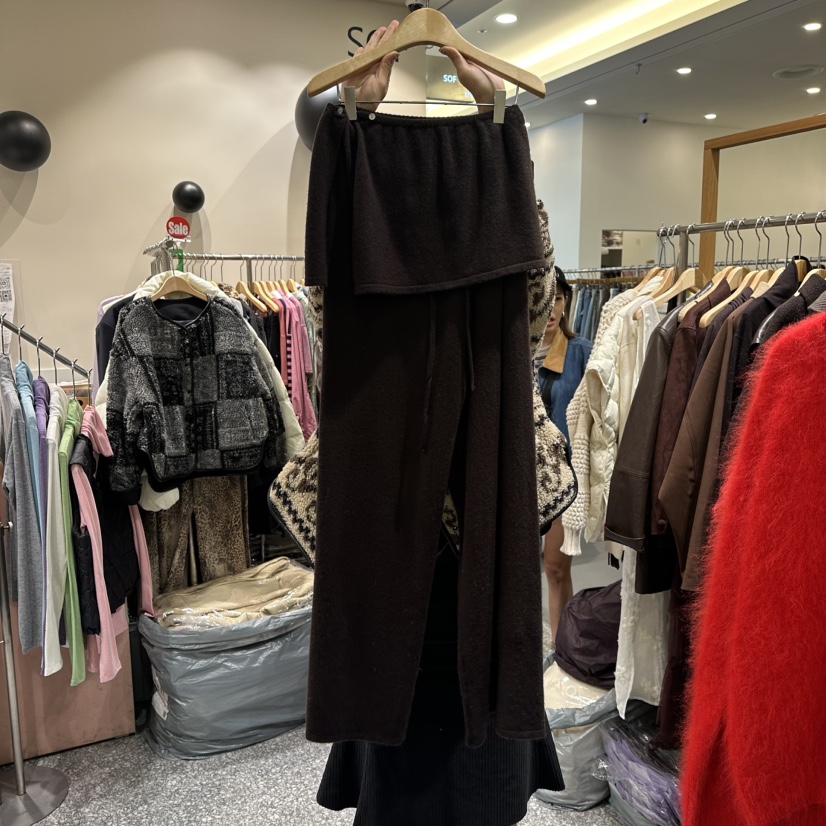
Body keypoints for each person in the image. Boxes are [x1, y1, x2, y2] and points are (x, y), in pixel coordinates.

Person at [314, 22, 563, 826]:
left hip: (488, 518)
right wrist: (356, 122)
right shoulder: (362, 229)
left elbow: (533, 308)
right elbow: (330, 320)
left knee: (484, 717)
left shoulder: (509, 236)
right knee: (399, 737)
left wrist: (500, 132)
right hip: (386, 519)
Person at [536, 267, 592, 640]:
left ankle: (561, 647)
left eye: (557, 298)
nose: (552, 308)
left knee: (556, 568)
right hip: (518, 474)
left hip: (560, 477)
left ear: (567, 301)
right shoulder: (514, 353)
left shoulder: (581, 353)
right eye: (545, 299)